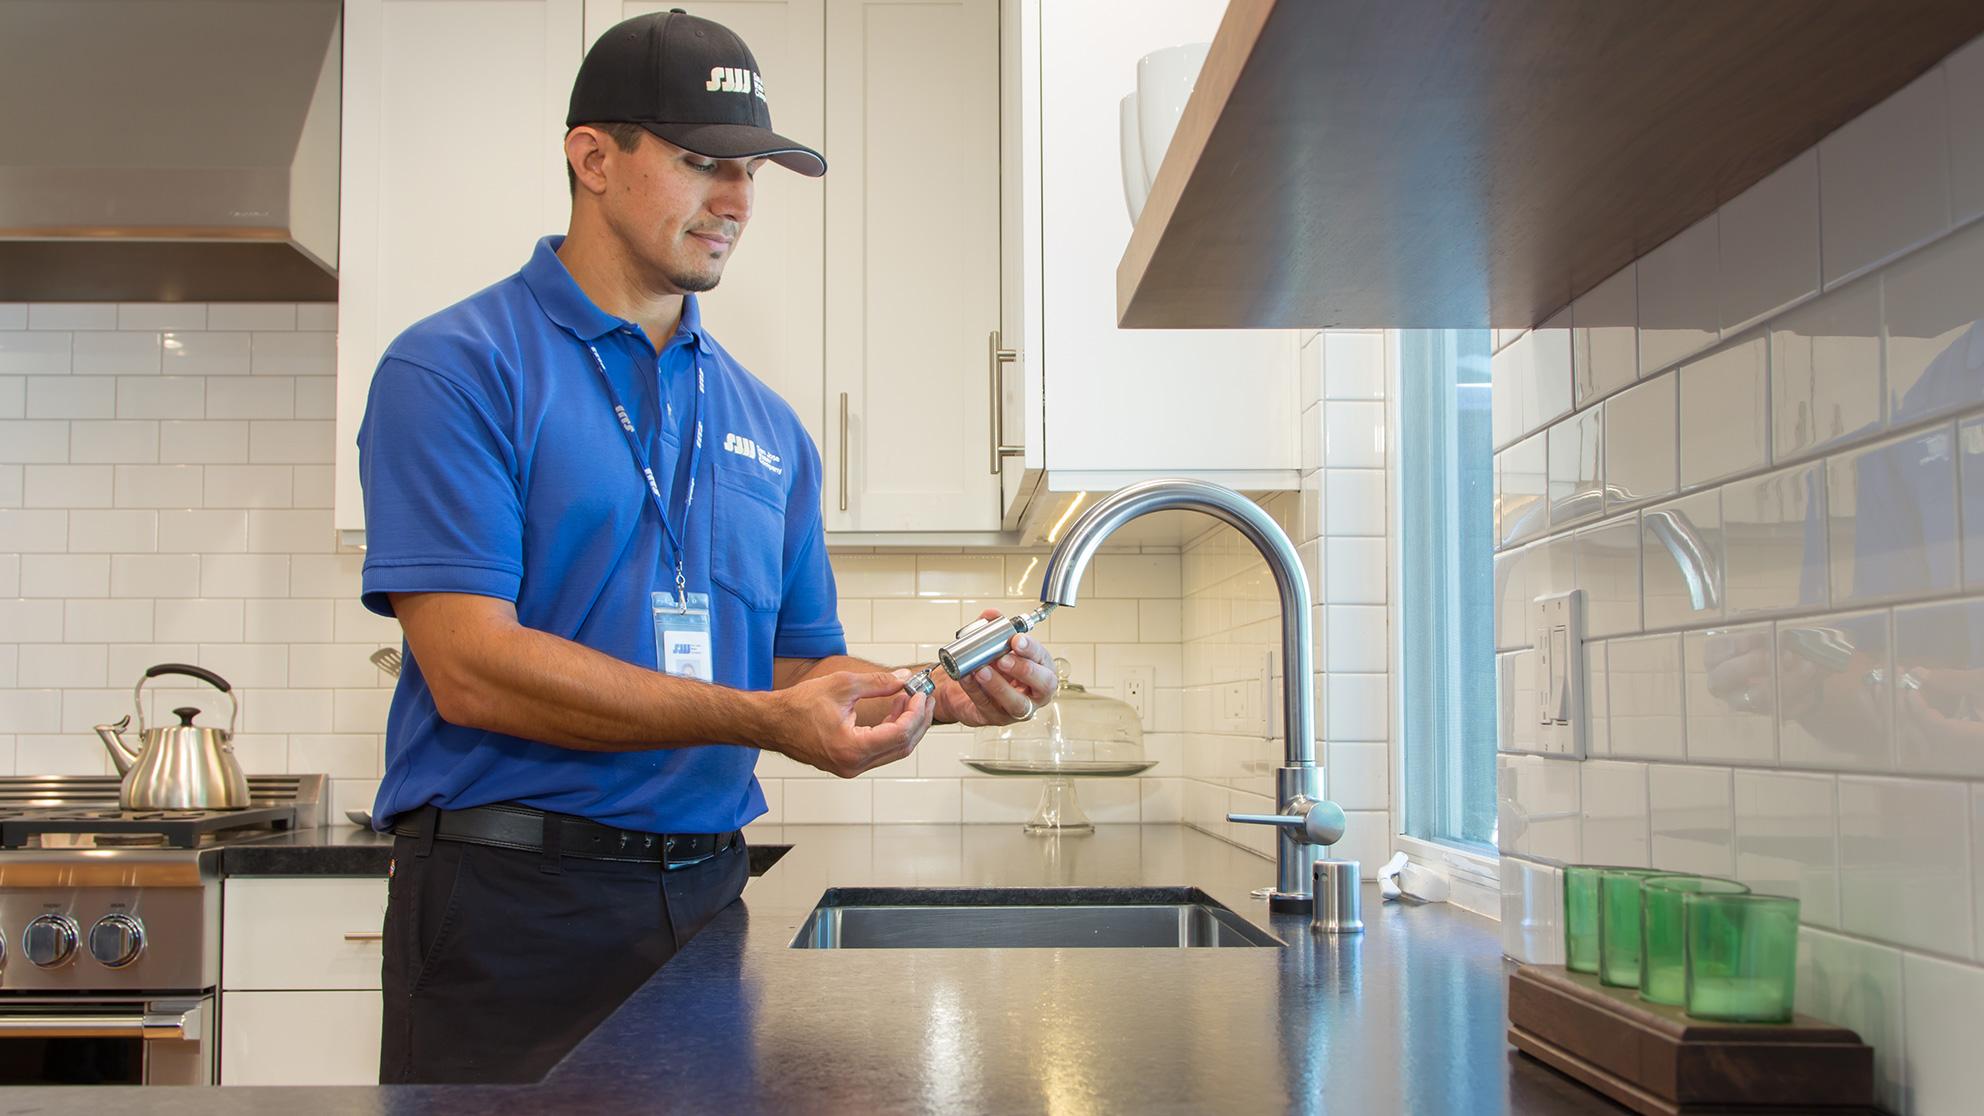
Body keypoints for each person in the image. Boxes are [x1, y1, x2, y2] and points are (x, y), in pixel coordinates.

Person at [355, 10, 1058, 1085]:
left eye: (751, 171)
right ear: (592, 157)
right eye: (701, 163)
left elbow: (790, 667)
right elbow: (469, 668)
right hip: (508, 912)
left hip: (706, 902)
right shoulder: (455, 369)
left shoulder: (768, 424)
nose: (735, 200)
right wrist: (763, 722)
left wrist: (928, 692)